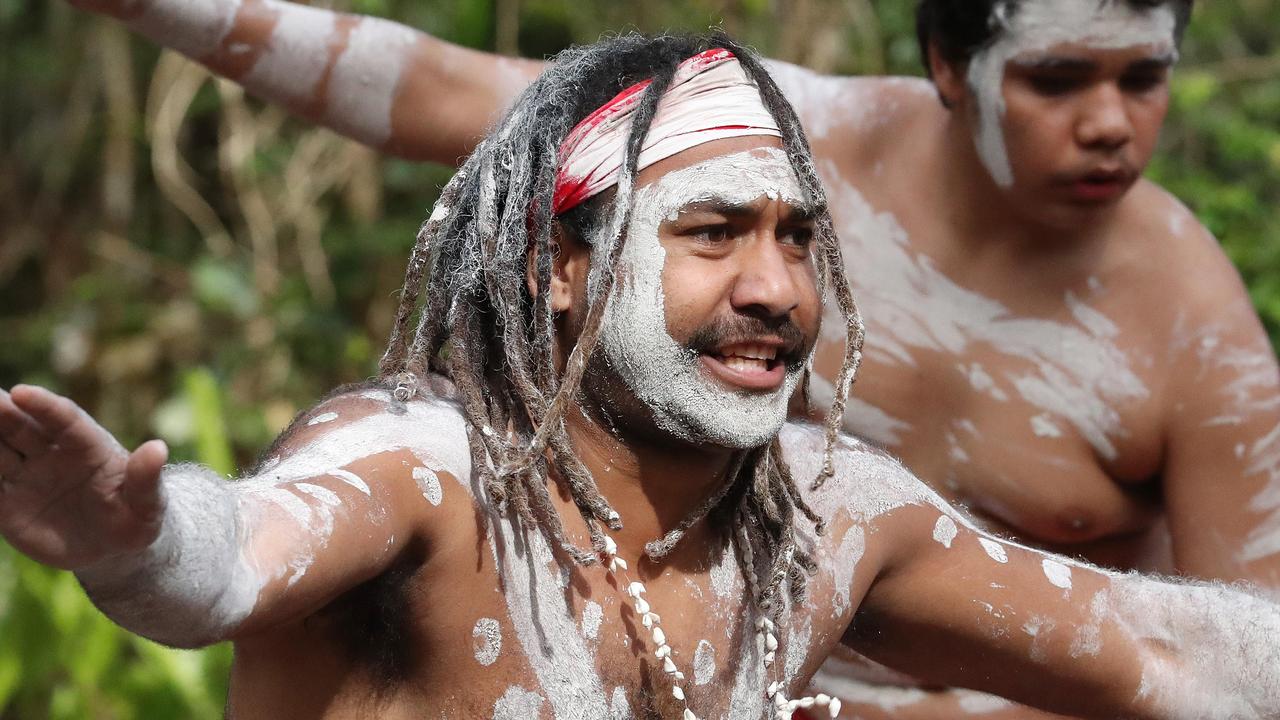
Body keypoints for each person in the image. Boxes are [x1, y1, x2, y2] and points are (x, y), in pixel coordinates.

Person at [5, 32, 1280, 720]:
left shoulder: (827, 517)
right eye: (711, 233)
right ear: (561, 267)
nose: (776, 291)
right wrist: (137, 541)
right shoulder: (429, 468)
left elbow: (1164, 656)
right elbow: (226, 561)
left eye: (796, 240)